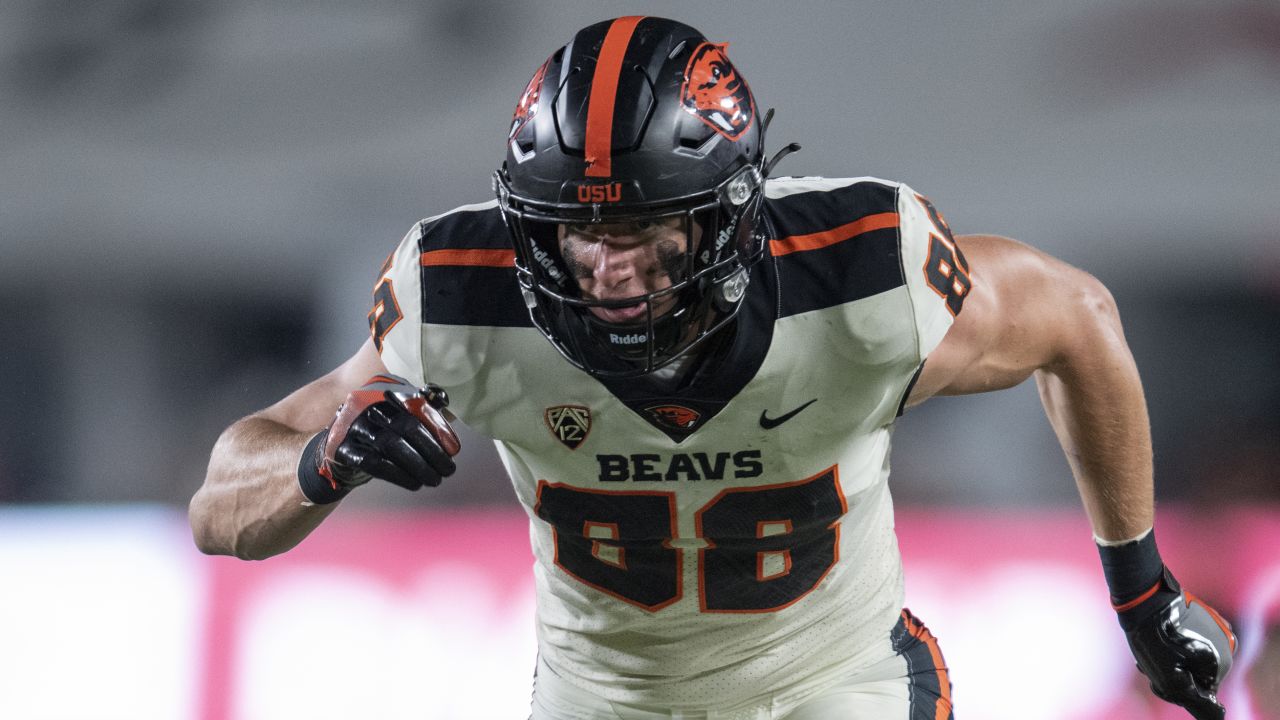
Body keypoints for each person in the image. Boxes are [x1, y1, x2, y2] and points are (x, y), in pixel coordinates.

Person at [189, 16, 1237, 720]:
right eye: (572, 234)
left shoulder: (861, 282)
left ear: (730, 209)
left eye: (644, 229)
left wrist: (1141, 593)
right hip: (601, 701)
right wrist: (320, 464)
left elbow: (1075, 320)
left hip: (836, 687)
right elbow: (219, 506)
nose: (606, 269)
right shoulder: (459, 303)